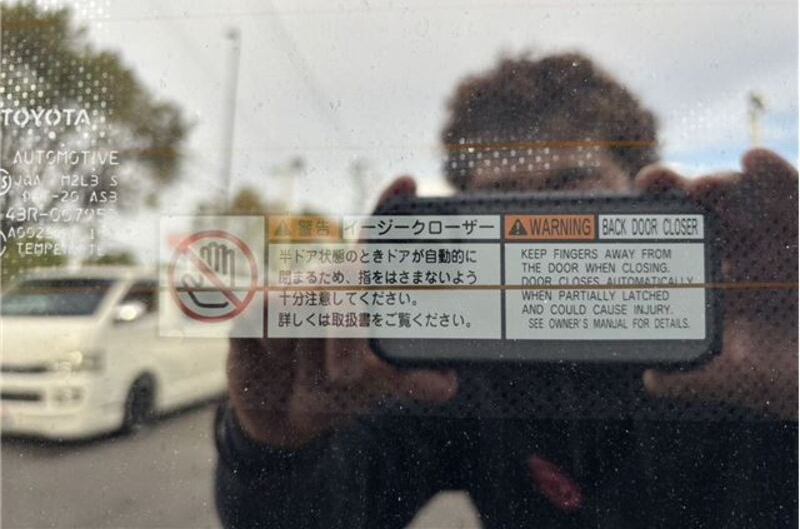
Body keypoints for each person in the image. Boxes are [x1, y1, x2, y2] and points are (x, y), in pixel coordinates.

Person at [215, 53, 798, 528]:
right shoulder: (449, 371)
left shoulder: (748, 343)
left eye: (571, 189)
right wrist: (271, 448)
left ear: (644, 194)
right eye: (504, 202)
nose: (537, 231)